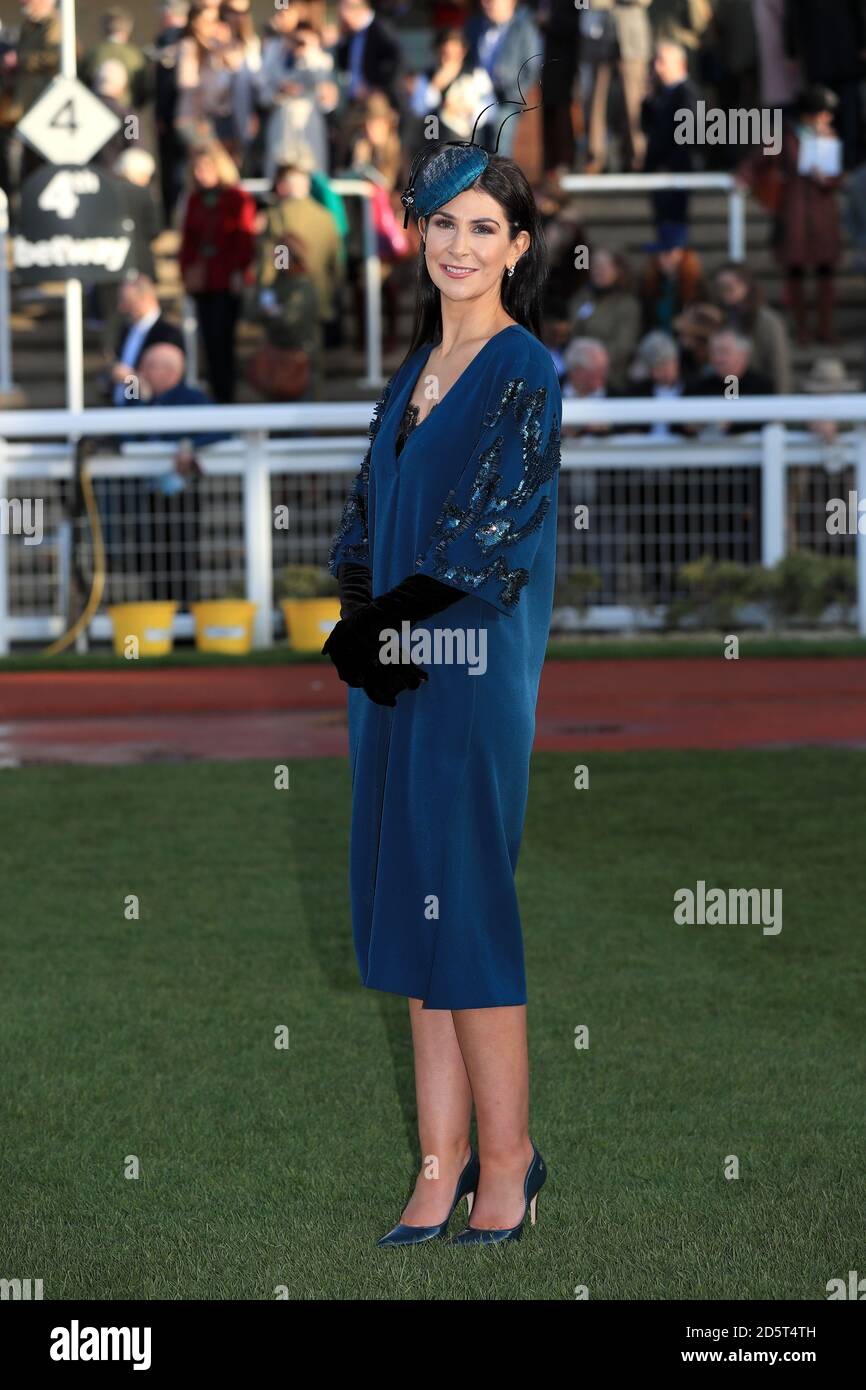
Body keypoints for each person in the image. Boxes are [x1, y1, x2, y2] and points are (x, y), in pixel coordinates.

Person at [324, 136, 560, 1245]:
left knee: (462, 913)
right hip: (391, 673)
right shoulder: (409, 374)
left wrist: (381, 624)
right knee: (410, 911)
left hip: (465, 676)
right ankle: (439, 1161)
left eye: (483, 227)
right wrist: (356, 615)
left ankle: (509, 1163)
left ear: (515, 247)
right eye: (442, 223)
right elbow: (370, 522)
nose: (458, 245)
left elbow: (488, 539)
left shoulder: (526, 372)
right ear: (419, 236)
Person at [257, 148, 344, 393]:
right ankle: (311, 420)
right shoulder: (326, 216)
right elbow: (336, 264)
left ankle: (286, 424)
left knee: (281, 364)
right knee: (312, 367)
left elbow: (267, 264)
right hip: (318, 300)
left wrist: (264, 296)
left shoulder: (275, 216)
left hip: (284, 301)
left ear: (283, 186)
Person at [178, 142, 256, 402]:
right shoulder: (195, 199)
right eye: (198, 168)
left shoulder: (237, 197)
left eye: (207, 167)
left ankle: (227, 395)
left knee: (224, 339)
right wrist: (187, 271)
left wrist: (238, 270)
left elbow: (244, 238)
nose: (201, 173)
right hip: (204, 278)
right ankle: (215, 394)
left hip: (226, 278)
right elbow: (188, 239)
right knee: (209, 340)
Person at [462, 0, 543, 159]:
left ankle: (500, 183)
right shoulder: (474, 26)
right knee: (473, 148)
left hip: (506, 98)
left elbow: (532, 67)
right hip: (475, 98)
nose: (485, 3)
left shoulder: (524, 29)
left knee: (499, 150)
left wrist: (514, 92)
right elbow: (466, 60)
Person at [579, 0, 653, 173]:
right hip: (597, 38)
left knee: (634, 102)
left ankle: (637, 157)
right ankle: (595, 157)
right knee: (596, 102)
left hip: (632, 39)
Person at [641, 39, 699, 232]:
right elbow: (647, 127)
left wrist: (668, 165)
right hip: (661, 170)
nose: (658, 68)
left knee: (673, 223)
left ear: (680, 64)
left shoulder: (686, 93)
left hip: (674, 171)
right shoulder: (661, 94)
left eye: (663, 61)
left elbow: (687, 134)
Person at [567, 247, 641, 392]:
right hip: (578, 372)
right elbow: (572, 333)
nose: (597, 270)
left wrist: (593, 363)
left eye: (603, 266)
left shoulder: (627, 305)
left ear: (617, 270)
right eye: (594, 265)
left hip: (610, 378)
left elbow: (623, 346)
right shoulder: (581, 298)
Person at [407, 27, 496, 148]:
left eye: (453, 54)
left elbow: (491, 110)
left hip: (468, 144)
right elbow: (418, 110)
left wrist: (467, 109)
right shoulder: (426, 77)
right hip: (436, 146)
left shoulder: (476, 74)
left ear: (462, 52)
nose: (447, 60)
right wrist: (435, 86)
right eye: (444, 53)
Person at [713, 262, 792, 394]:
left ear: (746, 285)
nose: (725, 291)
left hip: (761, 388)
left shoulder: (768, 321)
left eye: (730, 286)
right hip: (734, 388)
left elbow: (779, 365)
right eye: (721, 287)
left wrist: (780, 405)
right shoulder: (723, 319)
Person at [106, 274, 185, 407]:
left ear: (145, 299)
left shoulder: (168, 333)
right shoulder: (126, 330)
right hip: (123, 408)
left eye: (127, 301)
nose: (122, 308)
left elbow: (166, 380)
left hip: (153, 412)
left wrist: (131, 378)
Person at [682, 328, 775, 433]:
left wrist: (732, 424)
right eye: (713, 352)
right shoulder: (697, 385)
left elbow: (766, 424)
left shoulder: (761, 386)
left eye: (723, 351)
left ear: (743, 355)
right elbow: (678, 425)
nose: (717, 358)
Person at [640, 222, 707, 333]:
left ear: (682, 254)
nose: (661, 259)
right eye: (659, 253)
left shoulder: (697, 286)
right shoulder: (649, 283)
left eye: (667, 253)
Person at [81, 7, 149, 110]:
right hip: (126, 109)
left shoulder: (93, 53)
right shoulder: (135, 55)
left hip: (98, 110)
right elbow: (142, 88)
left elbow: (83, 83)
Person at [624, 329, 686, 438]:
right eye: (656, 366)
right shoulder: (639, 391)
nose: (661, 371)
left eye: (665, 364)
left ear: (676, 362)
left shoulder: (691, 388)